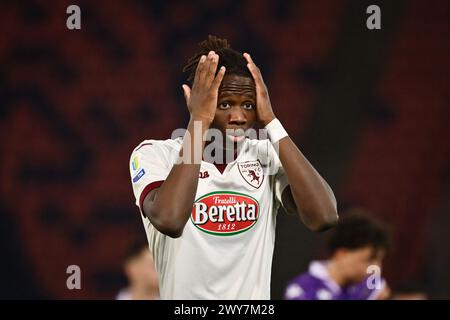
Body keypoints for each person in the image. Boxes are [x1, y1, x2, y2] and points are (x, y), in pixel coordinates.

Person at [129, 35, 338, 299]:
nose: (238, 117)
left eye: (248, 105)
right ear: (192, 99)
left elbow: (324, 217)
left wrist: (271, 121)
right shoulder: (153, 155)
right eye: (225, 104)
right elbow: (170, 219)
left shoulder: (266, 156)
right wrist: (199, 120)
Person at [284, 212, 391, 300]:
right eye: (369, 260)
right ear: (342, 255)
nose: (377, 267)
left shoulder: (369, 286)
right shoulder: (303, 289)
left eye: (379, 260)